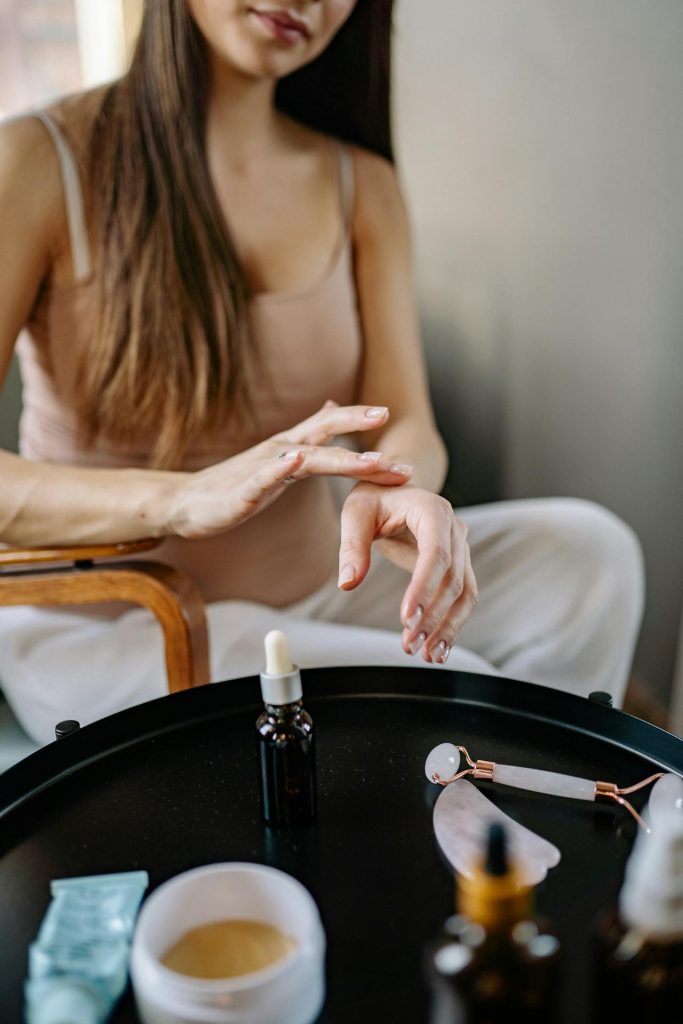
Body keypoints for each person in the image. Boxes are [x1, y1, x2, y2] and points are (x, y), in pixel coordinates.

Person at [0, 0, 643, 745]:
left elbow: (405, 416)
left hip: (322, 585)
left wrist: (397, 491)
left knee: (592, 556)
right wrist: (180, 499)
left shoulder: (361, 183)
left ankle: (516, 797)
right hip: (125, 622)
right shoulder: (37, 161)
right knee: (452, 698)